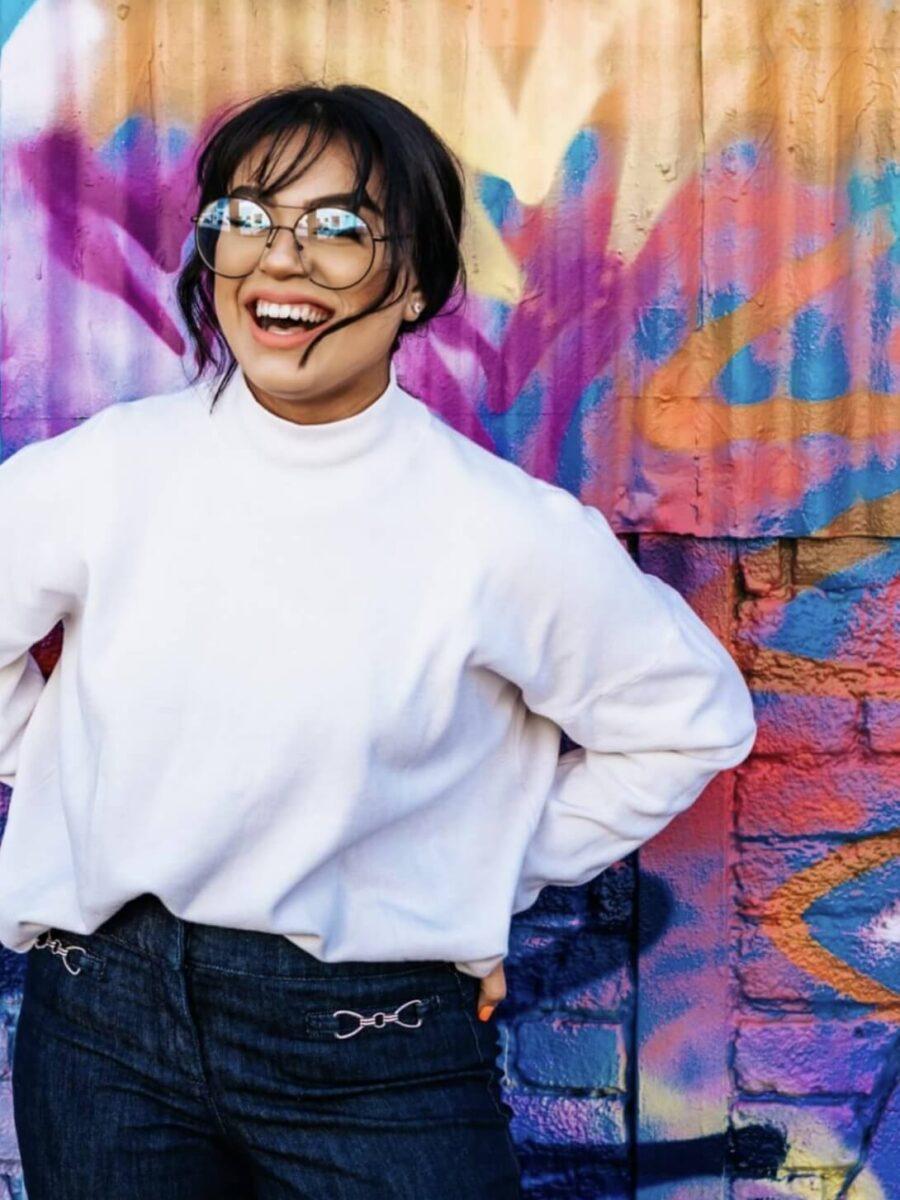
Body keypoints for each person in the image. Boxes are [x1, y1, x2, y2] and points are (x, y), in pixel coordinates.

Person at [3, 82, 757, 1197]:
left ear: (414, 284)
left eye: (340, 230)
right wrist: (62, 775)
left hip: (372, 1046)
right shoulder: (104, 474)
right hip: (100, 1031)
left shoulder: (501, 531)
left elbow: (690, 724)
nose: (281, 260)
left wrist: (483, 874)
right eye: (247, 219)